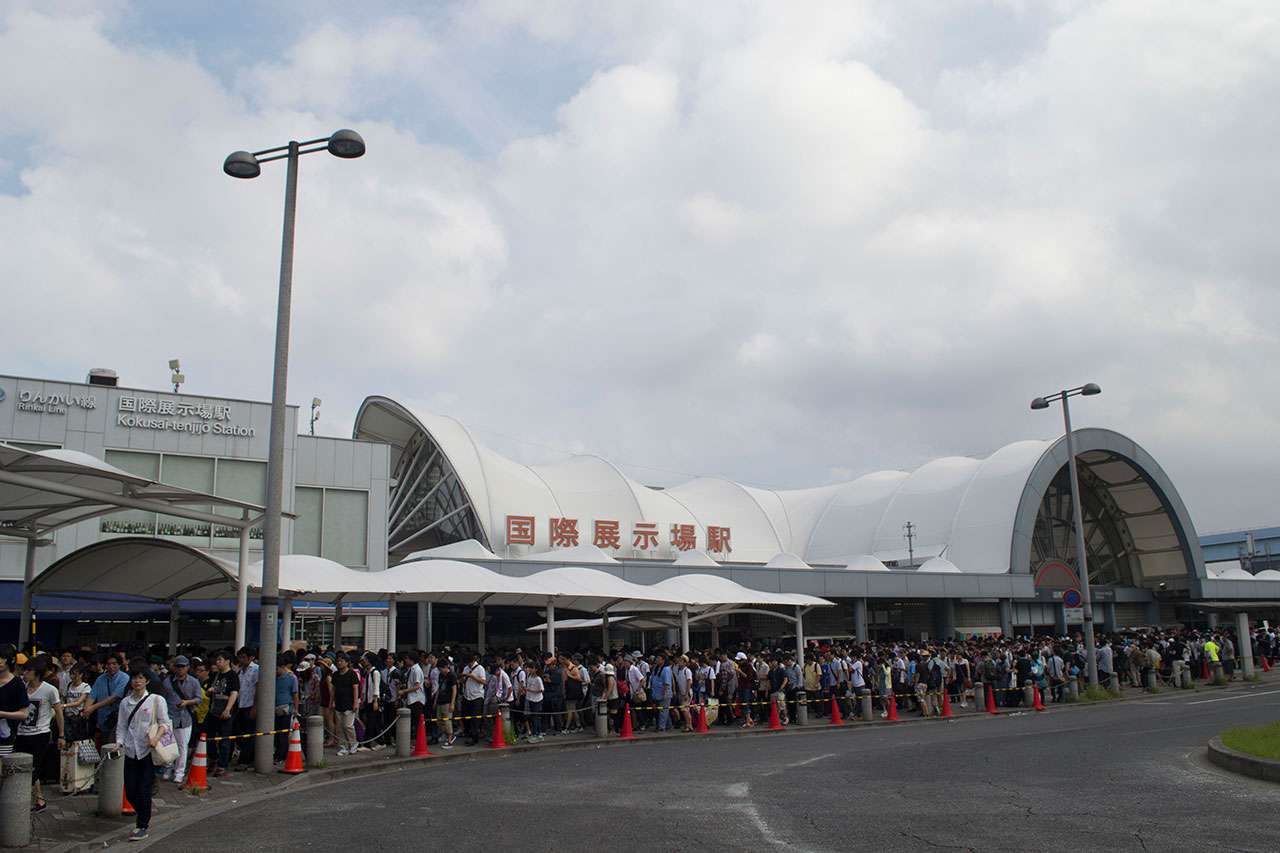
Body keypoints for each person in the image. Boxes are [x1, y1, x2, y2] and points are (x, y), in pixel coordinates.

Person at [116, 668, 171, 842]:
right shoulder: (125, 703)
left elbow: (165, 723)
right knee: (131, 791)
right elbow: (122, 726)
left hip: (148, 751)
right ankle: (144, 814)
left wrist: (156, 738)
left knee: (143, 789)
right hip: (131, 751)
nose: (137, 681)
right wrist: (119, 743)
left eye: (140, 678)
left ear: (147, 681)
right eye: (134, 678)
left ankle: (142, 825)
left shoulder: (156, 700)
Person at [166, 656, 201, 785]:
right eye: (178, 666)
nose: (181, 669)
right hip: (170, 717)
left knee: (182, 746)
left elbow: (199, 699)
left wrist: (187, 702)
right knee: (168, 744)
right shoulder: (167, 681)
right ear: (174, 667)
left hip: (185, 718)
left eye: (183, 666)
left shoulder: (193, 682)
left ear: (187, 667)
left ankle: (179, 773)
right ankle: (168, 768)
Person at [206, 650, 239, 776]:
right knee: (210, 737)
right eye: (217, 660)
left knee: (225, 739)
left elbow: (234, 693)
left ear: (227, 661)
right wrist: (210, 691)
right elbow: (208, 691)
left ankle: (222, 764)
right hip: (213, 709)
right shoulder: (215, 675)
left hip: (225, 710)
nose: (217, 662)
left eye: (220, 660)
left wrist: (228, 709)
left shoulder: (232, 675)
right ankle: (213, 759)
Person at [83, 652, 128, 746]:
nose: (111, 666)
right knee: (103, 746)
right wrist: (86, 709)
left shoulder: (124, 678)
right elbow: (92, 695)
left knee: (113, 747)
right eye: (109, 664)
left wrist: (93, 707)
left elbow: (114, 697)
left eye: (114, 664)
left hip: (117, 718)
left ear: (119, 664)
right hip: (103, 719)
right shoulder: (100, 678)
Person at [234, 647, 259, 770]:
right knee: (239, 733)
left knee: (248, 734)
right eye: (240, 657)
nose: (241, 660)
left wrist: (255, 707)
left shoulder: (256, 670)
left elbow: (257, 689)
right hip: (240, 704)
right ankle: (246, 757)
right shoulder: (240, 671)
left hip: (250, 705)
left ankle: (245, 760)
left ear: (251, 658)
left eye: (243, 657)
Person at [331, 654, 360, 756]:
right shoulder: (335, 675)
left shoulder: (352, 674)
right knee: (339, 727)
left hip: (349, 703)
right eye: (338, 661)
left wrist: (355, 702)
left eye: (341, 661)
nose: (339, 663)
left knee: (348, 726)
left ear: (347, 662)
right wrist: (331, 701)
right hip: (338, 703)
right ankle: (343, 747)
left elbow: (355, 688)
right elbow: (333, 689)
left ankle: (353, 744)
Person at [274, 652, 300, 762]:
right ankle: (277, 753)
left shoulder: (291, 678)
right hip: (273, 708)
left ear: (282, 667)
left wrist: (296, 709)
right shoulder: (273, 678)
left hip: (285, 709)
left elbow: (295, 695)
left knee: (283, 734)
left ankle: (281, 755)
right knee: (275, 733)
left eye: (276, 669)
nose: (275, 671)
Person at [461, 654, 486, 746]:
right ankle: (469, 734)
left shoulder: (480, 668)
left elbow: (484, 681)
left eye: (469, 663)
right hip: (467, 695)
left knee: (475, 718)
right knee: (465, 716)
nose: (468, 665)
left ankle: (474, 737)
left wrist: (472, 676)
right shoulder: (466, 668)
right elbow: (463, 680)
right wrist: (463, 678)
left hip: (477, 696)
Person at [435, 658, 457, 748]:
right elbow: (439, 688)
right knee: (439, 720)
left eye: (440, 669)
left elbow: (454, 690)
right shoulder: (441, 675)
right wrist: (435, 700)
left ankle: (450, 738)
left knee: (447, 720)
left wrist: (452, 703)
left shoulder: (451, 675)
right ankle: (446, 734)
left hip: (447, 701)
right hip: (440, 700)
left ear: (445, 667)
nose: (440, 671)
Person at [524, 661, 545, 742]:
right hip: (530, 699)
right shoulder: (529, 676)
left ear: (536, 669)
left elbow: (541, 690)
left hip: (537, 700)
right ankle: (538, 733)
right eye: (529, 667)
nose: (529, 669)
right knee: (534, 717)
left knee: (535, 717)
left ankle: (535, 734)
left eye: (531, 668)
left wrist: (530, 690)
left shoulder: (538, 678)